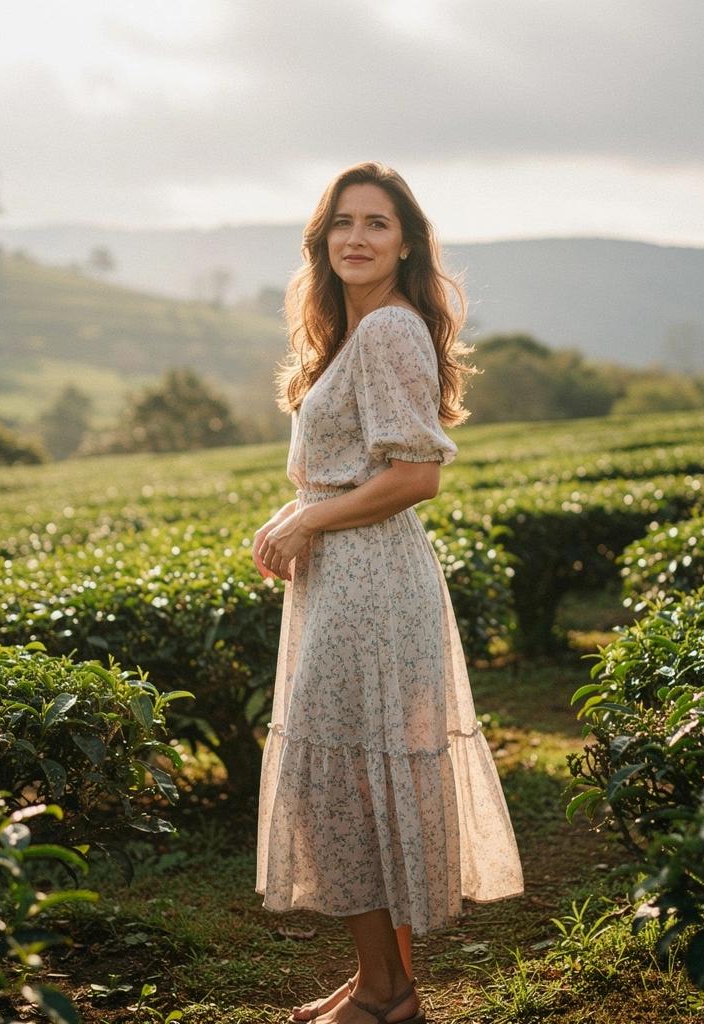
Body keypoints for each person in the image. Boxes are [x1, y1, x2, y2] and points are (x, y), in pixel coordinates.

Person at [253, 162, 524, 1024]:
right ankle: (381, 983)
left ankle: (385, 991)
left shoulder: (388, 331)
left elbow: (415, 477)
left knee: (346, 784)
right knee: (359, 780)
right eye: (342, 222)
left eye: (376, 224)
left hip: (368, 579)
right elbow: (359, 471)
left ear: (406, 243)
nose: (356, 238)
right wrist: (303, 513)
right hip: (348, 573)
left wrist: (306, 522)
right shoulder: (359, 331)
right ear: (321, 238)